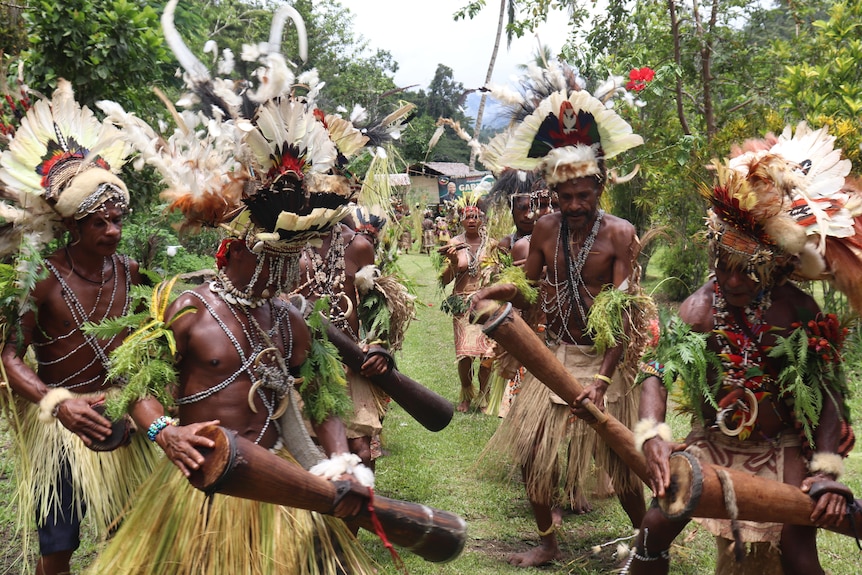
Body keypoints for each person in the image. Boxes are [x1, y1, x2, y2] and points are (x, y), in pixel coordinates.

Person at [87, 64, 381, 574]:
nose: (284, 271)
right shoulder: (186, 308)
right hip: (200, 485)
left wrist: (340, 461)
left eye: (292, 258)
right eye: (272, 257)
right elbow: (132, 385)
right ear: (234, 248)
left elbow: (323, 401)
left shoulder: (293, 320)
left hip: (277, 488)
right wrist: (165, 432)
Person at [625, 123, 861, 575]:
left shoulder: (797, 310)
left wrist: (826, 470)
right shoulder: (700, 307)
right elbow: (657, 368)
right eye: (722, 265)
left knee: (798, 546)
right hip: (714, 441)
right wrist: (652, 432)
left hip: (781, 443)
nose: (730, 281)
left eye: (746, 270)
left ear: (775, 267)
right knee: (656, 524)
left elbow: (829, 391)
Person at [472, 62, 650, 567]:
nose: (574, 204)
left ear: (599, 189)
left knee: (619, 466)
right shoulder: (546, 230)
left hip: (601, 358)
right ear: (553, 193)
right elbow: (528, 290)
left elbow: (622, 313)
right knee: (534, 459)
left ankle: (647, 541)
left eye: (583, 195)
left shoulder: (620, 234)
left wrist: (602, 377)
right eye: (565, 196)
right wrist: (496, 288)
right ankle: (548, 542)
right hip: (554, 354)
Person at [0, 80, 164, 575]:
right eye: (99, 222)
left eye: (117, 220)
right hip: (62, 423)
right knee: (58, 539)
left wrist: (136, 399)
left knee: (127, 529)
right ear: (74, 226)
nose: (112, 230)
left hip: (119, 414)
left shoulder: (133, 273)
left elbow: (147, 344)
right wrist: (58, 403)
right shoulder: (42, 280)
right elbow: (8, 356)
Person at [439, 193, 497, 413]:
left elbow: (499, 275)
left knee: (487, 354)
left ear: (481, 218)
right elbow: (445, 280)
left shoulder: (491, 244)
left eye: (475, 216)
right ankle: (466, 392)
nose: (471, 220)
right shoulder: (453, 243)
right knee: (465, 354)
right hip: (462, 303)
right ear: (461, 220)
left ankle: (484, 394)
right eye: (467, 217)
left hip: (487, 303)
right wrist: (453, 262)